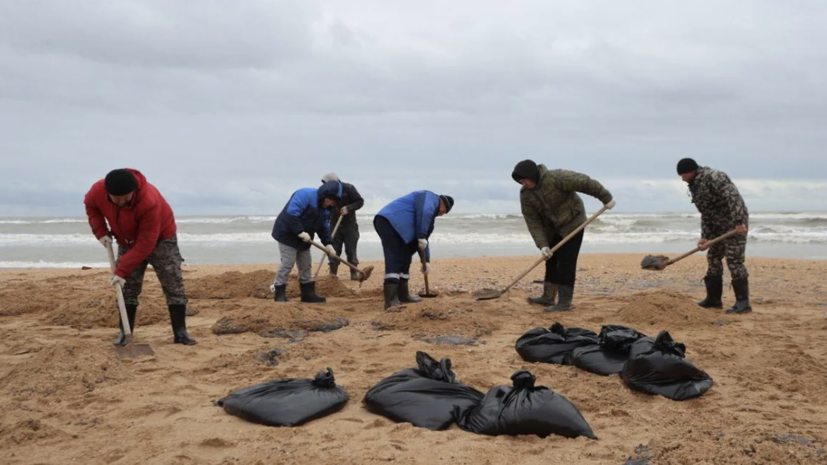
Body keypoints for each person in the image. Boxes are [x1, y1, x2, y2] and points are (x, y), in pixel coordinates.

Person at [84, 168, 197, 346]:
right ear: (107, 193)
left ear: (134, 191)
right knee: (127, 288)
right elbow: (91, 208)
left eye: (126, 198)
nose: (121, 202)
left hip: (161, 239)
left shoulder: (148, 201)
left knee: (173, 283)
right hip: (126, 240)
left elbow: (146, 243)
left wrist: (121, 270)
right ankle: (124, 333)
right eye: (116, 199)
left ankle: (180, 333)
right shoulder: (97, 191)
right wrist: (100, 231)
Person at [511, 160, 615, 312]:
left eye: (524, 180)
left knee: (566, 262)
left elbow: (585, 182)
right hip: (551, 228)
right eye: (520, 182)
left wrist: (606, 198)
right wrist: (543, 245)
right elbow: (532, 221)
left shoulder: (557, 178)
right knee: (551, 260)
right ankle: (548, 297)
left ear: (532, 176)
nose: (523, 184)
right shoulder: (526, 195)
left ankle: (564, 303)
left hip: (573, 222)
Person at [677, 158, 751, 314]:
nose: (682, 179)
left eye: (682, 175)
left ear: (690, 171)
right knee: (713, 258)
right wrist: (705, 236)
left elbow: (734, 197)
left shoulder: (714, 177)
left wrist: (738, 222)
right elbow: (706, 212)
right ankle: (713, 300)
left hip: (734, 223)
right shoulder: (695, 185)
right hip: (717, 225)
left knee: (734, 260)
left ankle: (743, 303)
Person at [374, 191, 454, 310]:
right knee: (395, 258)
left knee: (406, 257)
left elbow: (424, 240)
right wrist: (421, 235)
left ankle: (403, 295)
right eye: (444, 212)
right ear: (443, 205)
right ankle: (390, 301)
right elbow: (424, 212)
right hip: (390, 222)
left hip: (402, 230)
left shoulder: (430, 218)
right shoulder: (430, 198)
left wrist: (425, 261)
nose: (441, 215)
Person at [270, 181, 340, 303]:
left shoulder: (327, 209)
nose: (331, 203)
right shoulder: (304, 195)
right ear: (323, 196)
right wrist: (300, 231)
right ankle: (279, 292)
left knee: (306, 264)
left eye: (333, 201)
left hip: (306, 236)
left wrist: (328, 243)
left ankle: (307, 294)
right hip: (287, 233)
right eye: (329, 200)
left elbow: (323, 227)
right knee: (287, 263)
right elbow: (290, 215)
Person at [320, 173, 365, 280]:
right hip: (333, 224)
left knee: (351, 250)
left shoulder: (349, 188)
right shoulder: (325, 191)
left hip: (350, 225)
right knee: (333, 250)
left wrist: (348, 208)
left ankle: (354, 273)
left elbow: (360, 201)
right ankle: (333, 274)